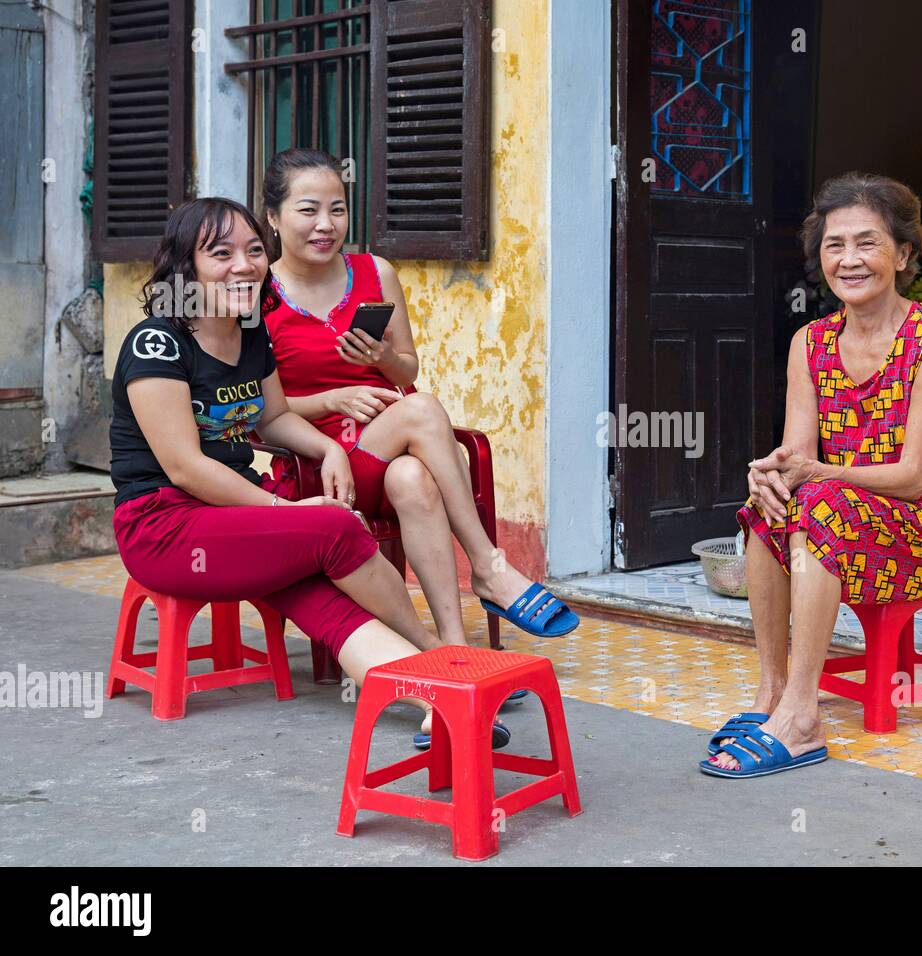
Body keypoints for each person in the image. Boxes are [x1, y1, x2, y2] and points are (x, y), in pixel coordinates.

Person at [109, 197, 478, 745]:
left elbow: (274, 417)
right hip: (164, 527)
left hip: (231, 517)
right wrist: (286, 511)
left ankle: (435, 699)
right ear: (186, 266)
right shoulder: (158, 344)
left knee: (318, 594)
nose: (244, 264)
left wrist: (328, 450)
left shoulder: (249, 331)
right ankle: (442, 658)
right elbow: (185, 469)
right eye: (222, 253)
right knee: (332, 527)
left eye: (255, 250)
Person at [702, 172, 922, 778]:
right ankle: (773, 693)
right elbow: (798, 457)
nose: (849, 259)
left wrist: (813, 474)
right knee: (771, 505)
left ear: (904, 253)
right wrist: (770, 474)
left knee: (821, 503)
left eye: (868, 242)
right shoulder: (809, 343)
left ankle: (805, 718)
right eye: (835, 245)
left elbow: (915, 476)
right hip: (852, 512)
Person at [259, 148, 579, 668]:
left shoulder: (375, 273)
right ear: (273, 217)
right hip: (320, 470)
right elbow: (255, 409)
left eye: (337, 209)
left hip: (387, 454)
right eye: (308, 210)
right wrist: (331, 399)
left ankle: (454, 652)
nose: (326, 225)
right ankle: (487, 564)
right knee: (424, 410)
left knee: (413, 476)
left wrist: (384, 357)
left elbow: (407, 370)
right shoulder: (257, 297)